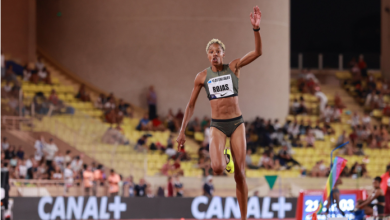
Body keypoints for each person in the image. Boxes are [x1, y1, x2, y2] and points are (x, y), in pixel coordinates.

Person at [176, 6, 262, 218]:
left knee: (240, 174)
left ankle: (243, 217)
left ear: (223, 53)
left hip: (236, 124)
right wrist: (182, 131)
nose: (214, 54)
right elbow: (190, 105)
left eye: (218, 51)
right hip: (218, 126)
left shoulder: (233, 67)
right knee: (216, 168)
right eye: (211, 51)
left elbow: (258, 53)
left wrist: (256, 29)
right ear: (208, 56)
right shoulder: (201, 77)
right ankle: (226, 157)